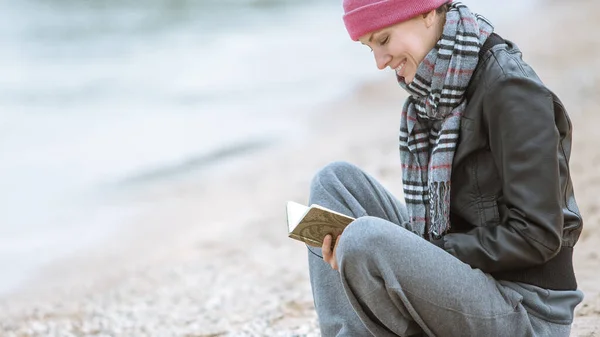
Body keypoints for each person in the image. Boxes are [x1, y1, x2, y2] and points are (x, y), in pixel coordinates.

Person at [305, 1, 584, 336]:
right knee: (333, 184)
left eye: (383, 40)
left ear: (426, 12)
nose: (379, 63)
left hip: (526, 310)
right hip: (469, 282)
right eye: (369, 48)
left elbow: (537, 236)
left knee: (364, 239)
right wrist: (425, 253)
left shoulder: (510, 90)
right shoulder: (436, 89)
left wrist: (431, 252)